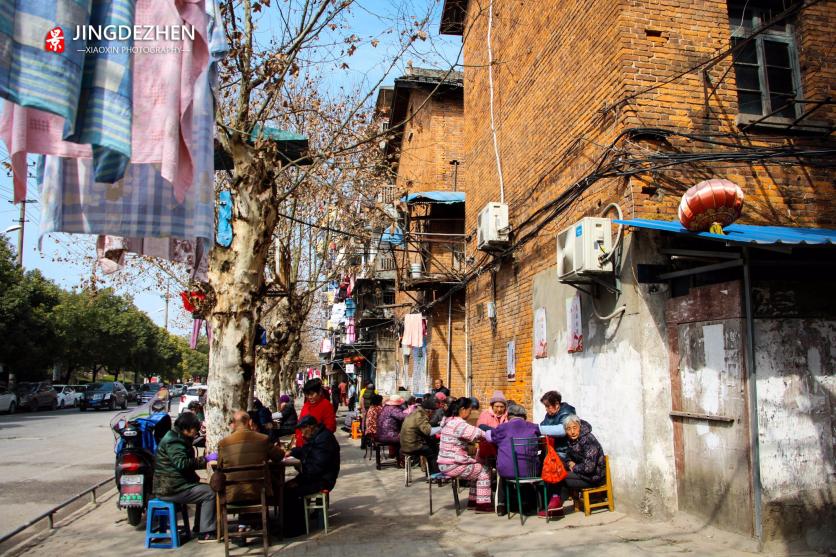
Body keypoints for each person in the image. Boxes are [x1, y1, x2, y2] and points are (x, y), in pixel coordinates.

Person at [153, 412, 217, 543]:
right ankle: (206, 533)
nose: (196, 433)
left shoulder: (176, 437)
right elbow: (182, 464)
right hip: (171, 488)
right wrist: (204, 460)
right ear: (186, 428)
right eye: (195, 430)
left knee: (203, 489)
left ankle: (200, 527)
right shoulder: (173, 440)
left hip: (175, 484)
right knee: (209, 493)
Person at [284, 416, 340, 537]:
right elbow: (306, 450)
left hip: (323, 480)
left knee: (289, 491)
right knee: (285, 487)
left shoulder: (324, 439)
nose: (302, 433)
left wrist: (299, 481)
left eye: (303, 430)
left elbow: (316, 468)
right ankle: (289, 526)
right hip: (317, 476)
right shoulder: (318, 436)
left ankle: (295, 529)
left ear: (310, 427)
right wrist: (292, 452)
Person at [217, 410, 284, 506]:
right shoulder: (263, 439)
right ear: (250, 422)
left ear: (234, 424)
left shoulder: (223, 443)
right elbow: (279, 456)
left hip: (233, 494)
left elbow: (219, 466)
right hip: (259, 492)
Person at [484, 404, 541, 516]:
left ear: (508, 416)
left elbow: (488, 436)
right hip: (530, 472)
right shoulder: (533, 426)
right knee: (528, 467)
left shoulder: (502, 427)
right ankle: (530, 504)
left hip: (507, 471)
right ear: (524, 416)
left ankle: (501, 505)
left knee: (501, 474)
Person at [437, 397, 492, 512]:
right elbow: (477, 433)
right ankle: (483, 505)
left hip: (443, 463)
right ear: (463, 409)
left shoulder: (448, 421)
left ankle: (473, 501)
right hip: (453, 464)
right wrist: (493, 434)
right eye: (470, 410)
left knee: (476, 469)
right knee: (485, 471)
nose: (471, 413)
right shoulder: (459, 424)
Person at [559, 414, 605, 500]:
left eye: (574, 427)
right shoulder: (571, 441)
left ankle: (558, 506)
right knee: (556, 472)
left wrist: (574, 467)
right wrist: (569, 463)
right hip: (581, 474)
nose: (572, 432)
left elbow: (589, 467)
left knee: (560, 477)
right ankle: (558, 505)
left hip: (594, 477)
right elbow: (567, 457)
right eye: (568, 429)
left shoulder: (588, 439)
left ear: (579, 427)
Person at [400, 397, 440, 474]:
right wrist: (442, 427)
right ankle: (434, 475)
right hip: (412, 446)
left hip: (405, 444)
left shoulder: (415, 412)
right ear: (429, 410)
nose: (433, 414)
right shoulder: (421, 415)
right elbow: (429, 431)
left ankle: (430, 474)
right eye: (433, 412)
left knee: (431, 444)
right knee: (434, 451)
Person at [296, 379, 337, 448]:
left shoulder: (326, 405)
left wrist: (313, 435)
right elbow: (299, 424)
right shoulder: (306, 405)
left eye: (312, 394)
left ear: (320, 392)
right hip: (304, 446)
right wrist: (299, 437)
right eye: (307, 394)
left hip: (319, 446)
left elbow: (330, 427)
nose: (309, 397)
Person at [539, 390, 577, 460]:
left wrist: (537, 429)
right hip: (552, 450)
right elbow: (543, 425)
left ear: (556, 405)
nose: (546, 409)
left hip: (564, 452)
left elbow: (562, 430)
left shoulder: (567, 412)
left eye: (548, 406)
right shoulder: (549, 414)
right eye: (545, 406)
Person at [476, 391, 508, 461]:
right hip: (488, 447)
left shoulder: (507, 415)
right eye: (496, 406)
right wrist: (498, 432)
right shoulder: (485, 414)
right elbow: (481, 426)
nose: (499, 409)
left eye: (502, 407)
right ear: (492, 406)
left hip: (504, 447)